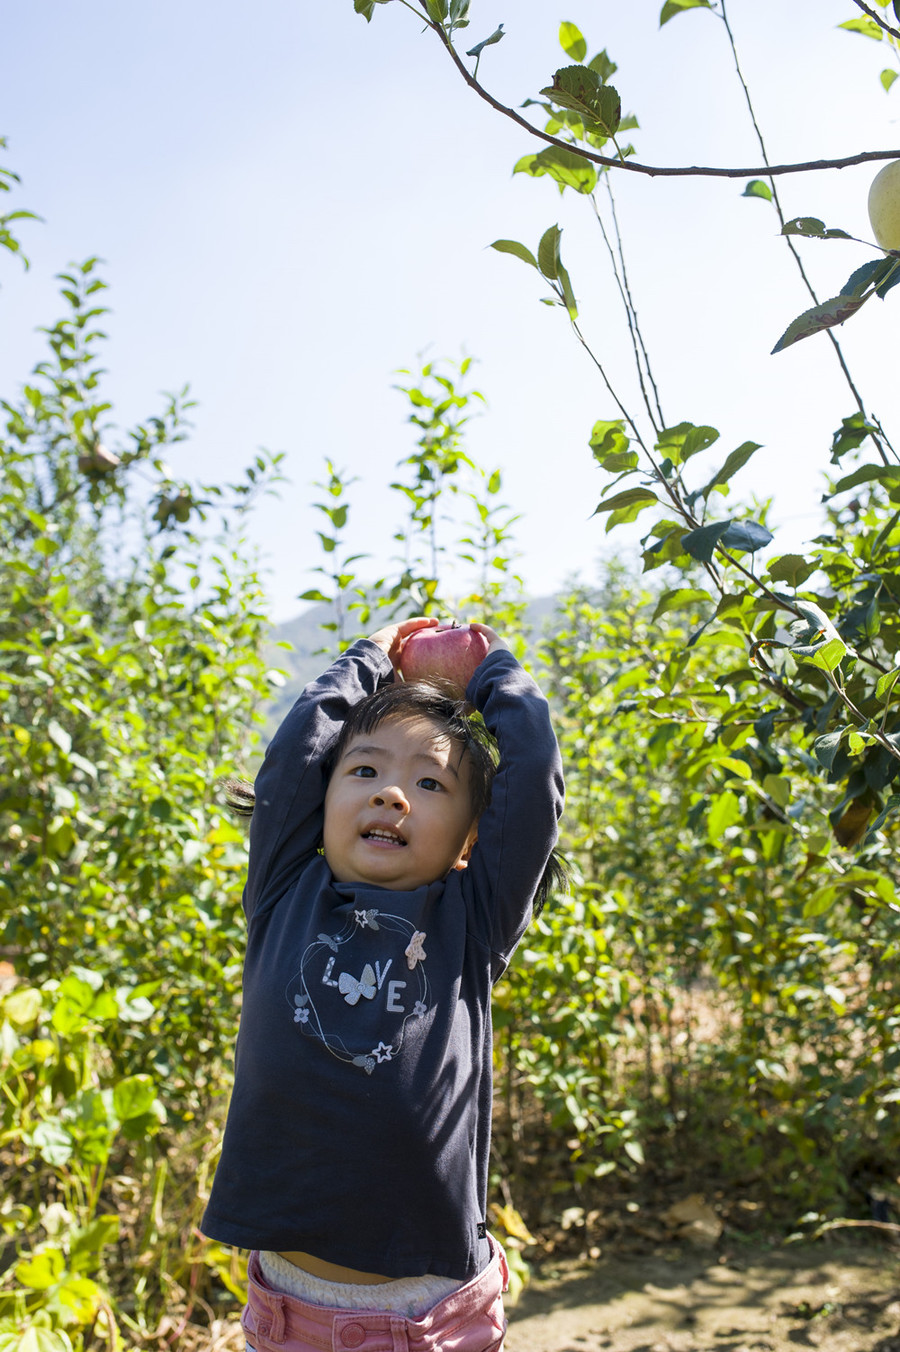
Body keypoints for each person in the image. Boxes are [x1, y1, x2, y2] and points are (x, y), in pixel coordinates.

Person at [201, 615, 565, 1352]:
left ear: (470, 839)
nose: (391, 794)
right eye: (364, 770)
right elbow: (295, 755)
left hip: (428, 1317)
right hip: (288, 1315)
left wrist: (494, 670)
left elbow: (533, 790)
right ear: (321, 800)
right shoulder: (283, 890)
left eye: (429, 783)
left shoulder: (471, 920)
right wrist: (370, 656)